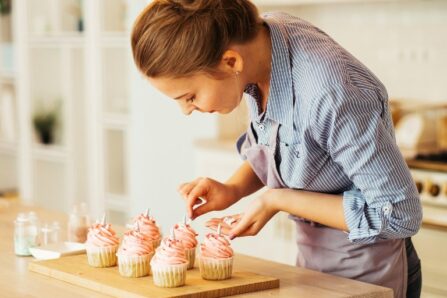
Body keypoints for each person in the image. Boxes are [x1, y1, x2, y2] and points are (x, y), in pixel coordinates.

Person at [130, 1, 422, 297]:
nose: (186, 111)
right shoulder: (260, 44)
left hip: (370, 274)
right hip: (313, 264)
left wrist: (277, 200)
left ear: (230, 62)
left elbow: (399, 214)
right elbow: (287, 145)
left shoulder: (331, 93)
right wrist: (232, 189)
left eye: (190, 97)